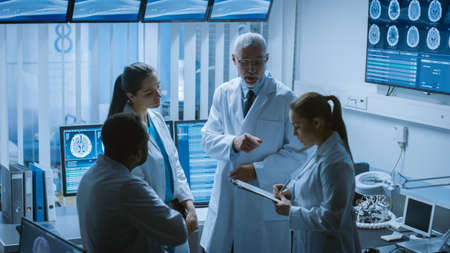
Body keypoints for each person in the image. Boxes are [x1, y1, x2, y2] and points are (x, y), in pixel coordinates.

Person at [200, 32, 310, 253]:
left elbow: (299, 152)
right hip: (228, 198)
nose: (250, 69)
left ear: (266, 59)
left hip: (262, 198)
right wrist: (233, 143)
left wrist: (256, 170)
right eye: (244, 62)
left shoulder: (285, 98)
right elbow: (207, 139)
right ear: (234, 61)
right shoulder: (223, 93)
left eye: (257, 62)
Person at [107, 63, 198, 244]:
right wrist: (167, 214)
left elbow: (174, 164)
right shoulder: (123, 131)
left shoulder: (156, 118)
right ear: (130, 96)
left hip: (174, 212)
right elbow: (135, 184)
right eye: (149, 92)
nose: (158, 94)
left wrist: (190, 205)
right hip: (151, 219)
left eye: (158, 86)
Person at [77, 112, 188, 253]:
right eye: (147, 142)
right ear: (137, 153)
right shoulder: (127, 187)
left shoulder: (90, 176)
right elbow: (178, 232)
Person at [273, 92, 361, 253]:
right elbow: (316, 188)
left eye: (297, 126)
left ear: (317, 123)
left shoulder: (336, 162)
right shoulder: (319, 151)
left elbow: (332, 219)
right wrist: (292, 192)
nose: (294, 133)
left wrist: (290, 211)